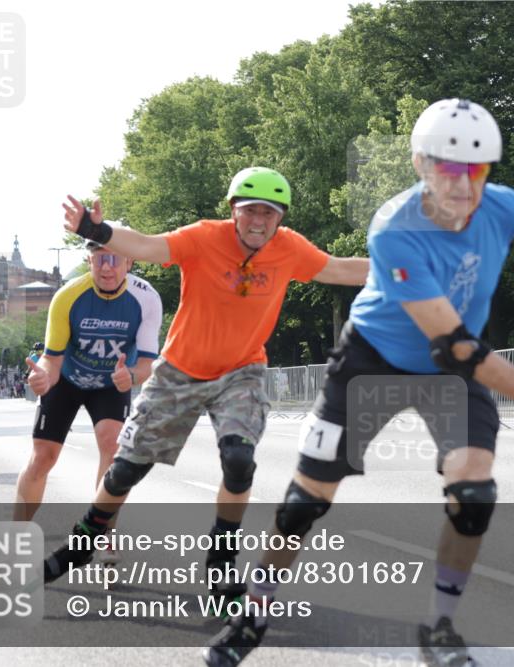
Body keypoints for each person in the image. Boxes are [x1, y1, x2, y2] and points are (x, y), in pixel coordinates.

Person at [204, 100, 514, 667]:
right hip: (375, 356)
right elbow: (456, 345)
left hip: (450, 370)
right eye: (448, 168)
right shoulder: (394, 230)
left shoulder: (505, 208)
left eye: (476, 170)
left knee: (474, 496)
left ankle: (439, 628)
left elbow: (463, 332)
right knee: (305, 503)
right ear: (421, 164)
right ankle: (254, 610)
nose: (463, 186)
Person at [41, 167, 369, 594]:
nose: (258, 222)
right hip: (180, 370)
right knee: (125, 471)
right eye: (250, 211)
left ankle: (221, 563)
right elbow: (146, 245)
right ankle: (83, 543)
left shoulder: (289, 248)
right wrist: (95, 230)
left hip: (242, 371)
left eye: (269, 214)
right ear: (233, 211)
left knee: (239, 460)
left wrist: (411, 270)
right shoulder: (203, 238)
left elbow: (340, 269)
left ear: (281, 218)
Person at [15, 225, 164, 573]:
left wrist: (133, 377)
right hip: (67, 379)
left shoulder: (147, 298)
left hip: (113, 380)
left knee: (112, 447)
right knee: (43, 457)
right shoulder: (68, 296)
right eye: (99, 259)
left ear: (129, 261)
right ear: (89, 260)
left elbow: (147, 364)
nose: (107, 267)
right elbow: (51, 359)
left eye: (115, 259)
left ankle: (105, 535)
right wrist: (42, 377)